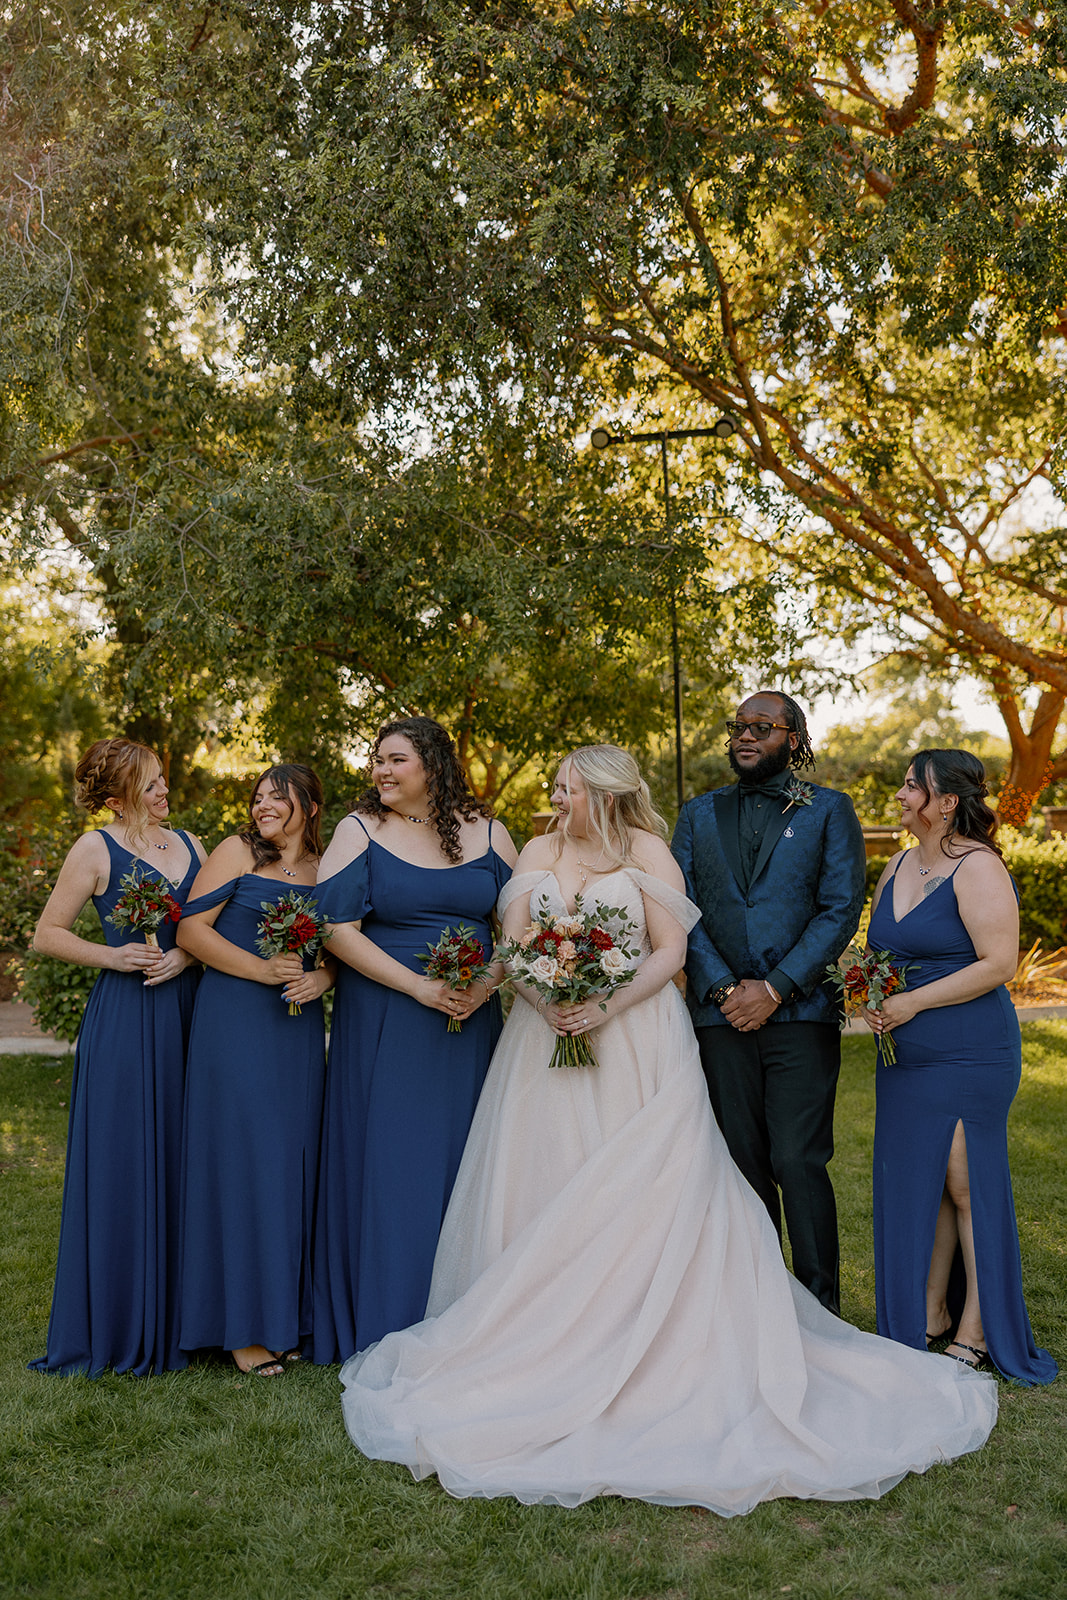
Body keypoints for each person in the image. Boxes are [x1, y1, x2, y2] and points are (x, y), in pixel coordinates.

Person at [338, 745, 996, 1515]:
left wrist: (603, 1004)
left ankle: (655, 1338)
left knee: (644, 1186)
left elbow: (672, 950)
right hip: (539, 1043)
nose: (553, 800)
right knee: (543, 1179)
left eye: (565, 789)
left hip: (636, 1043)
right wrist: (544, 993)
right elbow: (513, 944)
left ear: (602, 795)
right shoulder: (541, 848)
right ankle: (541, 1340)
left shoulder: (646, 849)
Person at [309, 716, 517, 1364]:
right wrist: (418, 988)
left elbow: (521, 923)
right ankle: (388, 1316)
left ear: (432, 762)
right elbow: (335, 928)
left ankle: (470, 1315)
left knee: (467, 1159)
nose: (381, 770)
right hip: (386, 1019)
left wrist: (486, 981)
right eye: (376, 760)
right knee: (393, 1163)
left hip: (470, 1020)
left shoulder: (487, 830)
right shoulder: (358, 830)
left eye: (395, 759)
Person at [865, 749, 1056, 1385]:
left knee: (966, 1183)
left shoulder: (979, 868)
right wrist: (873, 996)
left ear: (947, 802)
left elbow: (999, 963)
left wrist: (912, 1000)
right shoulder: (896, 863)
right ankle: (930, 1309)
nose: (899, 795)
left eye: (911, 787)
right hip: (907, 1055)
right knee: (930, 1178)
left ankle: (977, 1326)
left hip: (968, 1047)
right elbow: (887, 952)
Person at [671, 691, 865, 1311]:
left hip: (801, 1015)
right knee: (740, 1161)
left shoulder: (830, 809)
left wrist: (777, 985)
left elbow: (840, 908)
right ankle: (757, 1306)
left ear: (794, 737)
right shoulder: (697, 814)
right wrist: (725, 988)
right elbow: (681, 911)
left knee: (797, 1159)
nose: (746, 736)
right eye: (738, 726)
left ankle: (818, 1309)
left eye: (762, 726)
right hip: (719, 1016)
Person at [29, 737, 205, 1377]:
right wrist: (114, 955)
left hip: (188, 1013)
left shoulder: (190, 846)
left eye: (163, 780)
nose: (164, 792)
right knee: (126, 1158)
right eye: (152, 784)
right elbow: (47, 933)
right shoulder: (94, 849)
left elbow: (211, 924)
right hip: (126, 1021)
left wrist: (186, 954)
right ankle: (121, 1317)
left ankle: (190, 1317)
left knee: (187, 1153)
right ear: (116, 797)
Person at [176, 764, 333, 1377]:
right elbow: (191, 929)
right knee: (241, 1160)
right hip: (236, 1023)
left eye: (279, 797)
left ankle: (282, 1317)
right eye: (258, 796)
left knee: (288, 1165)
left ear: (311, 806)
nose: (263, 805)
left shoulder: (327, 869)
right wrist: (263, 971)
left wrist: (322, 977)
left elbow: (336, 945)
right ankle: (240, 1328)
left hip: (296, 1033)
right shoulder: (237, 851)